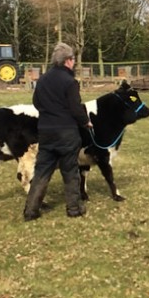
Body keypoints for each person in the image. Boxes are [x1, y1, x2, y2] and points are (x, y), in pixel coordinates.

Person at [23, 42, 92, 221]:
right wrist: (86, 122)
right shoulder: (70, 82)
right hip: (67, 133)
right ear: (68, 61)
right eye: (73, 60)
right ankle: (74, 208)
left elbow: (37, 103)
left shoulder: (43, 80)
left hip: (46, 132)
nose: (74, 63)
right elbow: (76, 109)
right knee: (70, 171)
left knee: (42, 172)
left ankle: (31, 210)